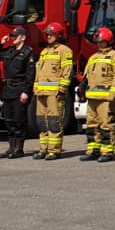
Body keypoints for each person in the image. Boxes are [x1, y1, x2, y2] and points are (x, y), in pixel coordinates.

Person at [0, 27, 34, 159]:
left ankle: (19, 149)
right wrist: (1, 43)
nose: (13, 38)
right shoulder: (9, 51)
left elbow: (30, 75)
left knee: (19, 120)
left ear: (23, 37)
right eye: (12, 36)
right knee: (8, 120)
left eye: (15, 36)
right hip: (8, 90)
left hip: (19, 89)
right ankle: (11, 148)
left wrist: (26, 91)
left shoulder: (28, 53)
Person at [32, 22, 74, 160]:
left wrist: (62, 89)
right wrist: (36, 87)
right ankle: (43, 149)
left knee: (54, 122)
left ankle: (54, 150)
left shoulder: (64, 51)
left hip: (54, 94)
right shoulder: (44, 52)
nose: (48, 36)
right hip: (41, 93)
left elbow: (67, 71)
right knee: (42, 122)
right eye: (47, 34)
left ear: (58, 35)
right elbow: (38, 72)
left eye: (51, 34)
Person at [81, 26, 115, 162]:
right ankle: (93, 150)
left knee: (106, 126)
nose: (99, 44)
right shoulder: (93, 57)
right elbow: (87, 76)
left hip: (106, 99)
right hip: (92, 97)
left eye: (102, 41)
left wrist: (113, 94)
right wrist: (82, 86)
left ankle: (107, 152)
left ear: (109, 41)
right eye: (97, 41)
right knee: (91, 125)